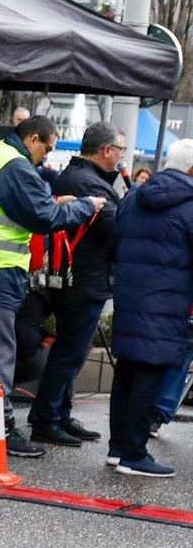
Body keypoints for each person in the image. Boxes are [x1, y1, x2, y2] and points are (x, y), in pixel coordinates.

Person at [0, 116, 101, 456]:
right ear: (34, 139)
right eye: (48, 148)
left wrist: (55, 203)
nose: (46, 156)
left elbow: (7, 207)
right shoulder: (15, 166)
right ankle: (3, 429)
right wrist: (84, 207)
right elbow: (44, 218)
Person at [27, 121, 123, 446]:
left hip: (76, 276)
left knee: (72, 351)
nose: (123, 156)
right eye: (121, 150)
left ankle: (59, 414)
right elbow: (113, 228)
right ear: (107, 150)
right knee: (70, 351)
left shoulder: (80, 176)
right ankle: (47, 418)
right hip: (82, 279)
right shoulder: (87, 182)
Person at [106, 138, 193, 476]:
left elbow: (116, 242)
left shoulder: (133, 197)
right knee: (150, 374)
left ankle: (117, 449)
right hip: (168, 302)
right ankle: (134, 453)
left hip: (130, 297)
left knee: (126, 371)